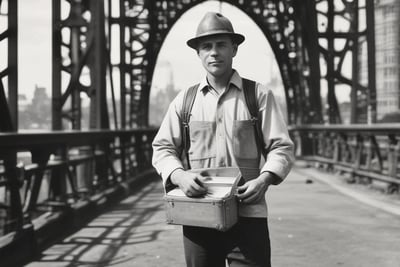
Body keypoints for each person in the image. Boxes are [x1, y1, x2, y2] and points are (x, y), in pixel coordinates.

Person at [152, 12, 294, 267]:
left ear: (234, 49)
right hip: (199, 215)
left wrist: (264, 180)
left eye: (221, 45)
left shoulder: (258, 96)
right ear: (198, 53)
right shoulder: (185, 101)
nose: (214, 52)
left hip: (248, 215)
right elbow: (163, 148)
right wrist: (179, 176)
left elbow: (281, 147)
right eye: (206, 46)